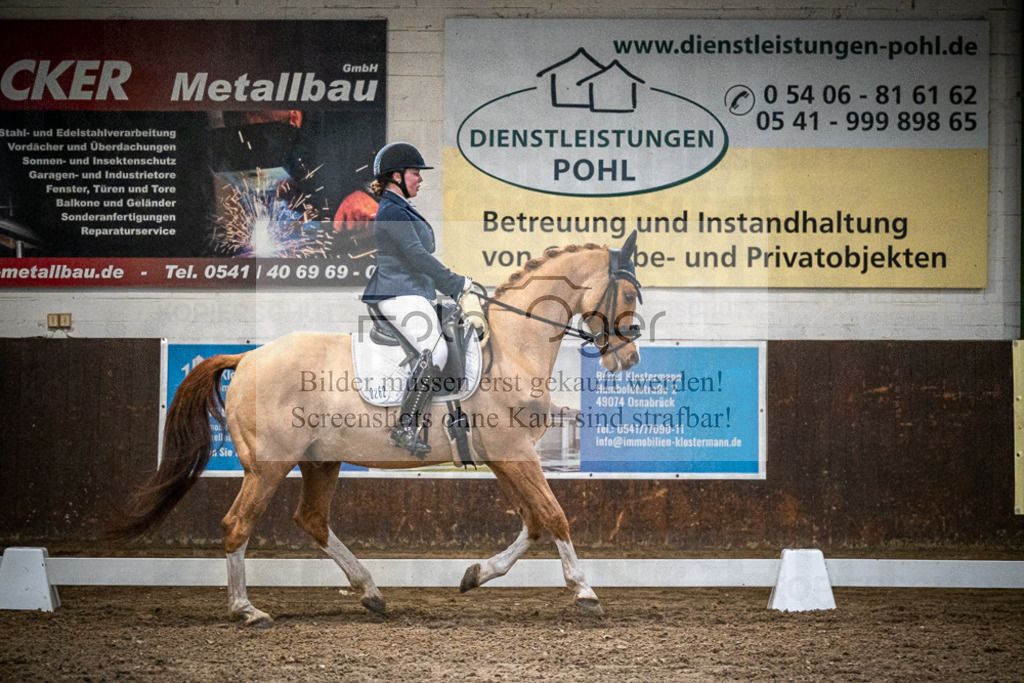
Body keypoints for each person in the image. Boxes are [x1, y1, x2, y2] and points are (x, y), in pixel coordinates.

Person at [361, 142, 471, 456]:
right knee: (435, 352)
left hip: (413, 290)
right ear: (395, 176)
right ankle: (405, 427)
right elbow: (416, 255)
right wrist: (455, 283)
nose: (420, 179)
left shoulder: (401, 207)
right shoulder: (392, 210)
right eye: (414, 173)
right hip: (397, 291)